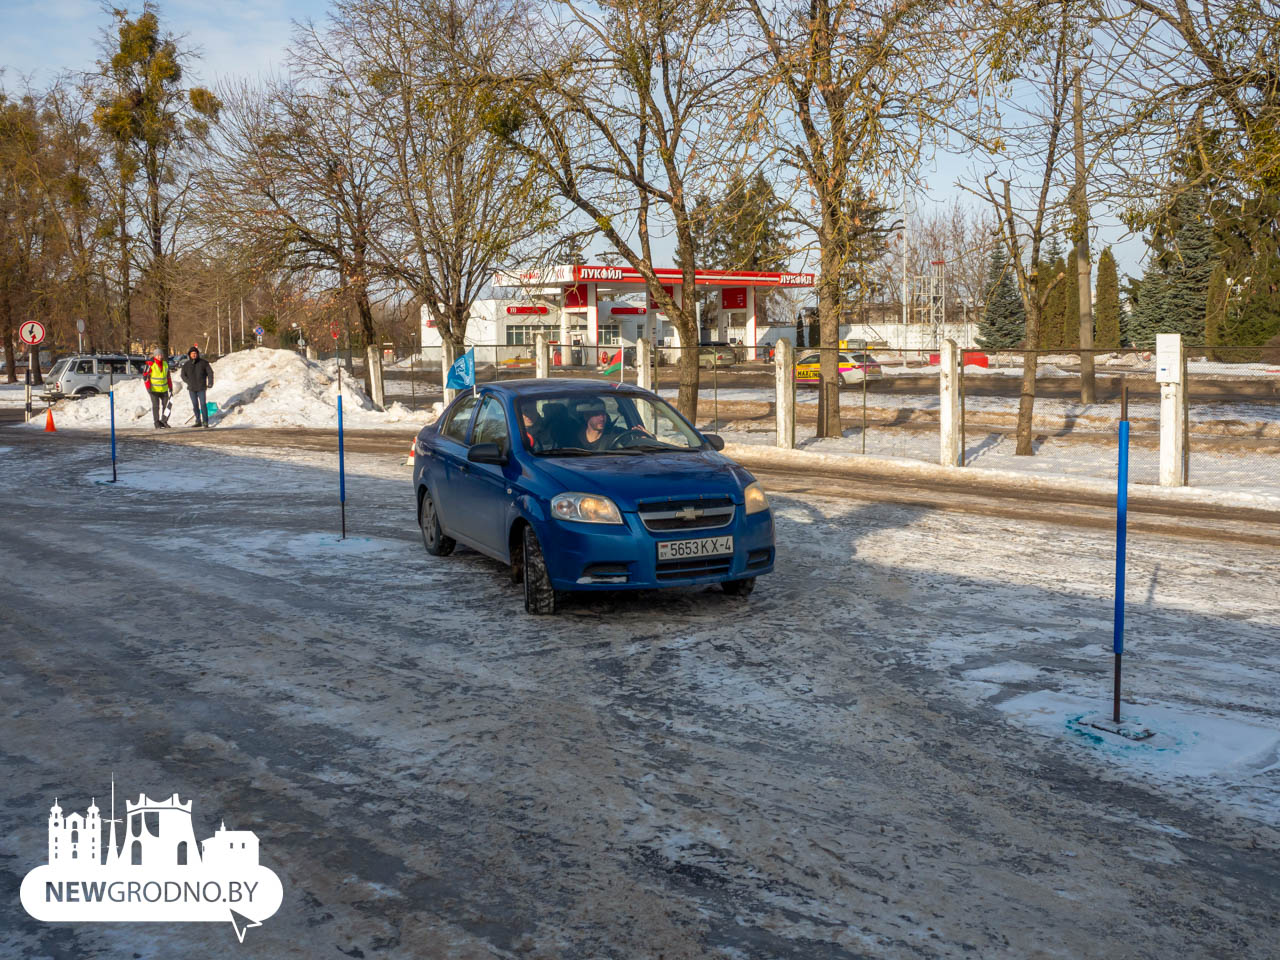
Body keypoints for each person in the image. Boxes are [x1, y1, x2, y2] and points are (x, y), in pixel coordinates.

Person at [181, 346, 215, 427]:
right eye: (192, 354)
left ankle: (205, 421)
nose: (194, 355)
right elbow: (183, 375)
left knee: (203, 404)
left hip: (201, 387)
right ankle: (198, 421)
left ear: (197, 354)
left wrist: (210, 382)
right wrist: (188, 382)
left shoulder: (204, 363)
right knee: (195, 405)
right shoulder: (186, 364)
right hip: (192, 388)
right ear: (189, 355)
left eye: (195, 353)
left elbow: (210, 373)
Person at [142, 347, 173, 428]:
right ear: (155, 356)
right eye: (158, 355)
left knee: (166, 406)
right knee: (156, 406)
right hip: (154, 390)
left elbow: (168, 376)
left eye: (161, 355)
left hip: (164, 389)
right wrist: (148, 387)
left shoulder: (165, 364)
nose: (159, 357)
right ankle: (156, 422)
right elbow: (145, 376)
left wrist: (170, 386)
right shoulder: (150, 364)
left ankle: (164, 421)